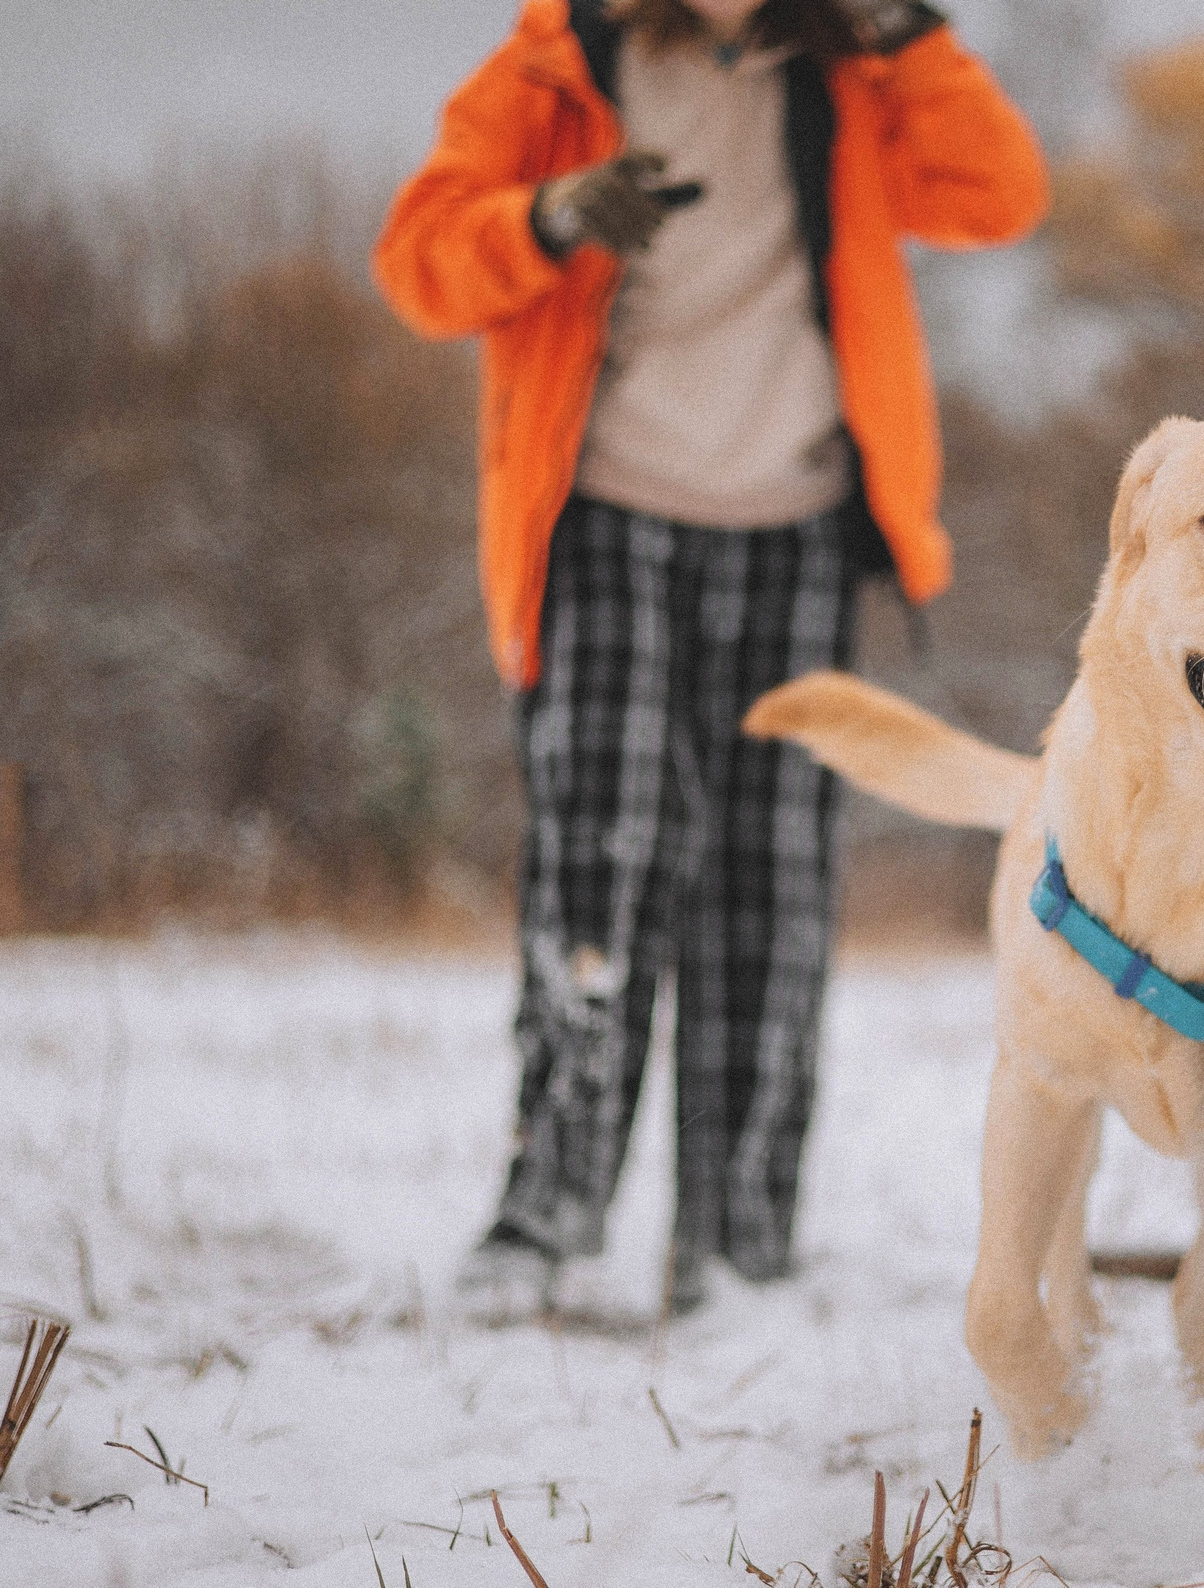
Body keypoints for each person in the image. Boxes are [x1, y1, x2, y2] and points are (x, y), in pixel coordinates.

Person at [373, 0, 1047, 1317]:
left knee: (771, 892)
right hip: (605, 516)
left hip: (799, 524)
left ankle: (739, 1246)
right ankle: (545, 1216)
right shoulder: (558, 67)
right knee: (600, 860)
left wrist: (909, 35)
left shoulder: (855, 77)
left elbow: (999, 194)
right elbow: (419, 265)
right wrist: (549, 216)